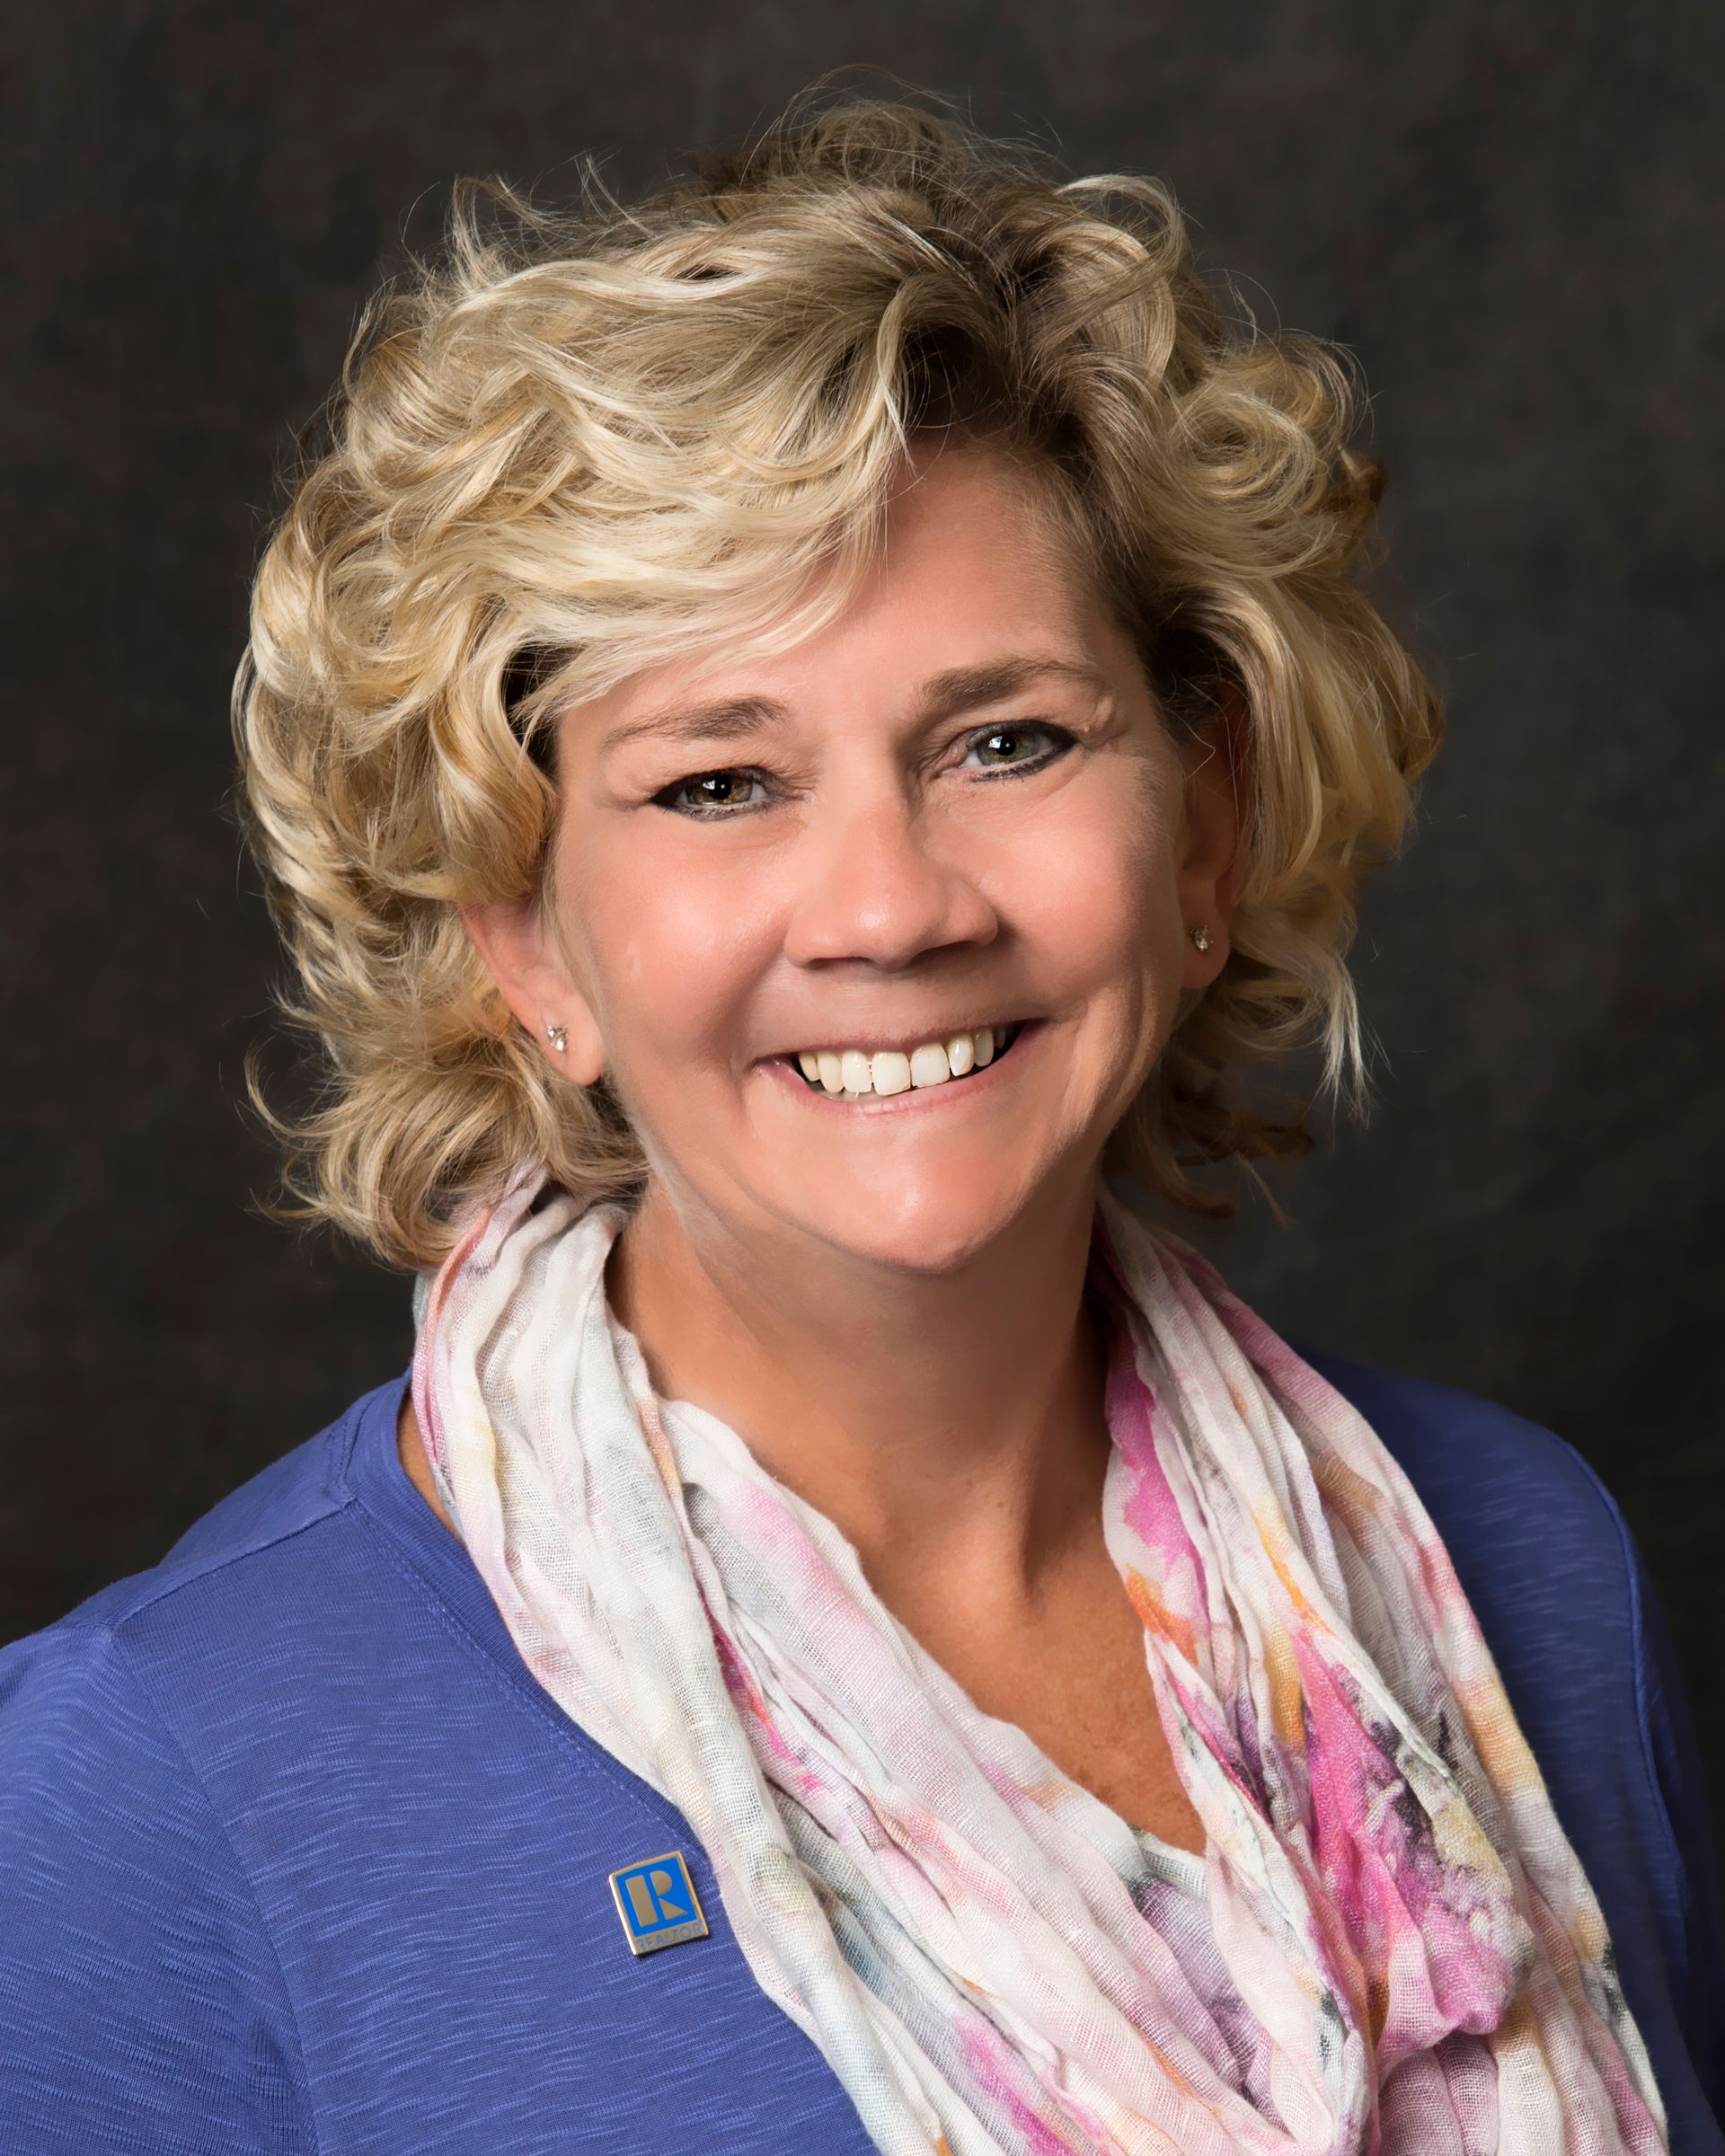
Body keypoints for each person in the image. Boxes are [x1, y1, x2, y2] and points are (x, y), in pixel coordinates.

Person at [1, 92, 1720, 2156]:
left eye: (1006, 741)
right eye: (719, 782)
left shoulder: (1532, 1572)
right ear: (522, 935)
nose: (894, 909)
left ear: (1207, 830)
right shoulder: (160, 1780)